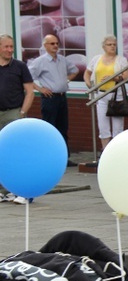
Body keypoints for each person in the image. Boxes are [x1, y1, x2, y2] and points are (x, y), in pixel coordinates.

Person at [28, 34, 79, 167]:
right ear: (45, 46)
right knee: (50, 128)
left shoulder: (62, 60)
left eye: (56, 43)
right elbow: (27, 77)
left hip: (62, 97)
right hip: (50, 98)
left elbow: (75, 70)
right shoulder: (40, 61)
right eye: (52, 43)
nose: (55, 46)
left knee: (63, 128)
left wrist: (65, 80)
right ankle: (49, 157)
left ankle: (64, 157)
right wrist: (40, 89)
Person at [0, 33, 35, 203]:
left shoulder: (20, 67)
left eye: (11, 47)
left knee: (16, 151)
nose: (9, 50)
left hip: (13, 112)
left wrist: (22, 112)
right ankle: (2, 190)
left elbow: (29, 91)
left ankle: (21, 190)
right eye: (6, 46)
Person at [83, 35, 128, 151]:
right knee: (103, 126)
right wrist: (89, 84)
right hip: (101, 95)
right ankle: (105, 151)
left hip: (116, 95)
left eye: (114, 44)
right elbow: (87, 73)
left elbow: (126, 76)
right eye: (110, 44)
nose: (112, 47)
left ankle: (117, 151)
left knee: (117, 127)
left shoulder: (121, 60)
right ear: (104, 47)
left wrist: (113, 78)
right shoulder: (97, 59)